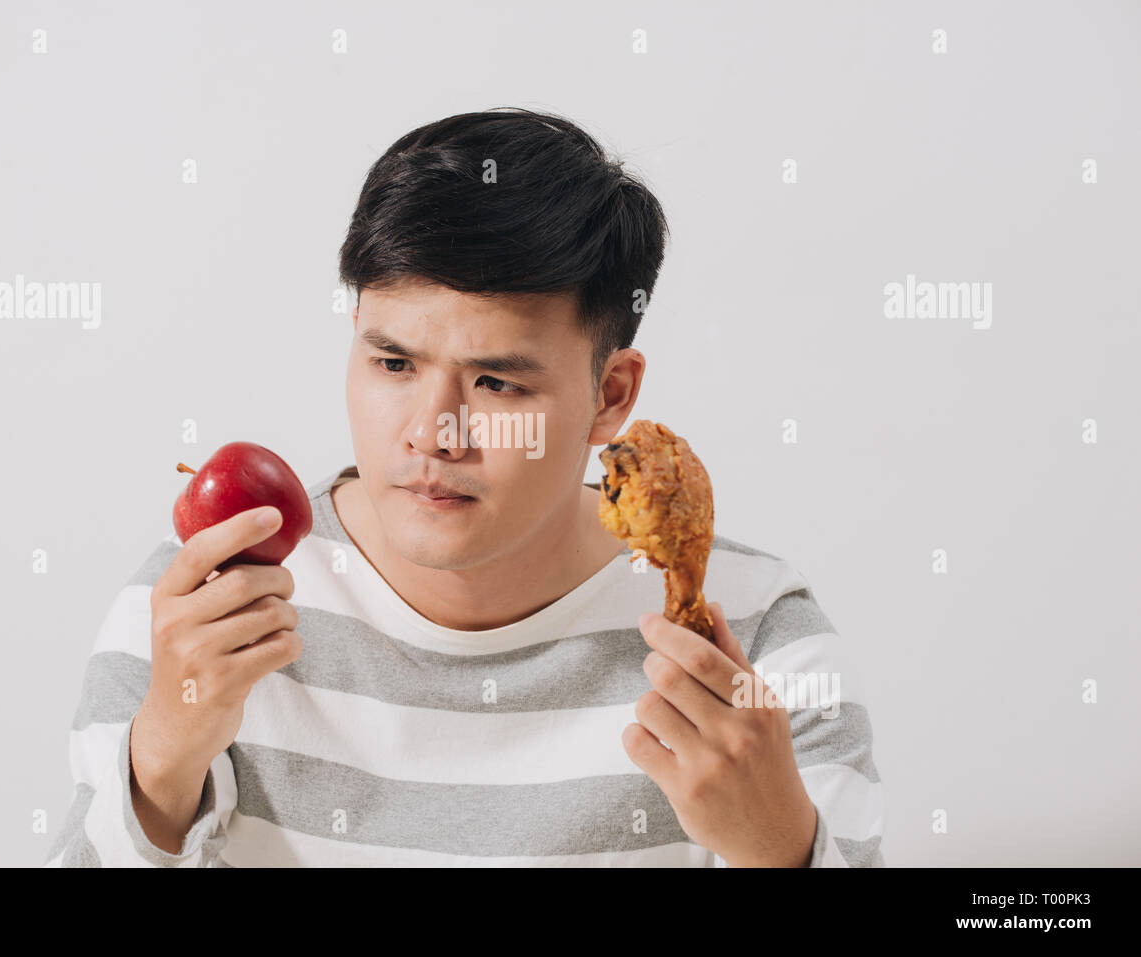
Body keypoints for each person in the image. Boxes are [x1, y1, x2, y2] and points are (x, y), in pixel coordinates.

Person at [45, 108, 884, 867]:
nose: (431, 432)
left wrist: (781, 849)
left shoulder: (758, 648)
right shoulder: (206, 600)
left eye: (497, 384)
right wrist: (159, 768)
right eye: (393, 363)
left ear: (611, 396)